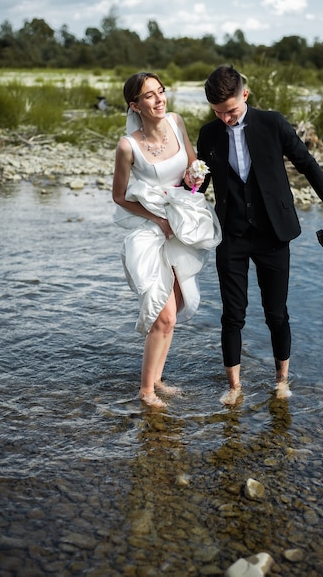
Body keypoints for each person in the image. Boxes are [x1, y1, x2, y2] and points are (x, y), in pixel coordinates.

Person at [197, 65, 323, 404]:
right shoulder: (208, 134)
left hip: (273, 234)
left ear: (245, 96)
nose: (226, 118)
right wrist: (178, 198)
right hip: (232, 235)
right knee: (232, 314)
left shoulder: (273, 123)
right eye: (219, 112)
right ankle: (234, 389)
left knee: (276, 313)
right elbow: (199, 184)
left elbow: (307, 164)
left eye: (232, 110)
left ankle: (282, 380)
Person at [113, 72, 221, 408]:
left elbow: (193, 167)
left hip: (181, 226)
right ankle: (145, 392)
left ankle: (157, 380)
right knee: (164, 314)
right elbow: (119, 197)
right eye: (149, 96)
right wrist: (159, 221)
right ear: (135, 105)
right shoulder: (127, 146)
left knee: (174, 308)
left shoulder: (176, 121)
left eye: (161, 92)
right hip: (151, 232)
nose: (159, 99)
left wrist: (194, 178)